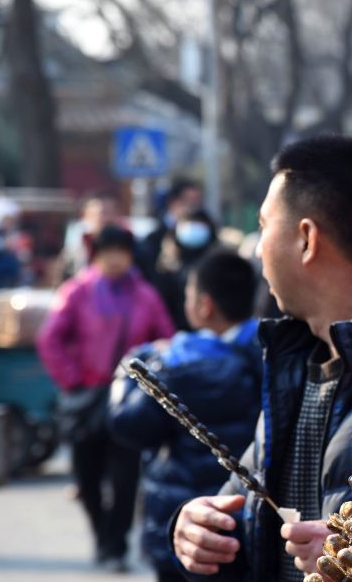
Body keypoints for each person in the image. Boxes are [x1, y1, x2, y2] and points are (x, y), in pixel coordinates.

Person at [170, 135, 352, 581]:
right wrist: (195, 526)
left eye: (264, 225)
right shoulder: (294, 364)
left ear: (306, 239)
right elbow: (243, 506)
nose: (258, 246)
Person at [110, 250, 263, 582]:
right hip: (252, 521)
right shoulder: (273, 352)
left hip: (186, 526)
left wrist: (129, 370)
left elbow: (127, 425)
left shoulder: (176, 363)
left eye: (188, 296)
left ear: (204, 305)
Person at [37, 225, 175, 571]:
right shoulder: (76, 292)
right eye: (107, 251)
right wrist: (72, 380)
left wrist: (148, 381)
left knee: (126, 477)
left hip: (130, 401)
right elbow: (49, 339)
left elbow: (167, 341)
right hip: (87, 398)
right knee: (87, 475)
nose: (114, 258)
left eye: (121, 251)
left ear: (130, 256)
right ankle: (101, 534)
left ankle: (116, 545)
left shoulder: (145, 295)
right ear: (96, 255)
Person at [152, 208, 221, 331]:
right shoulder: (166, 267)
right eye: (188, 222)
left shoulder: (218, 265)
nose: (193, 228)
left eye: (199, 223)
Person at [58, 190, 126, 281]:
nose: (108, 218)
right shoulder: (76, 249)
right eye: (103, 213)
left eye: (112, 212)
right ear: (85, 216)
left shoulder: (131, 246)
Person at [142, 179, 204, 276]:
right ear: (173, 202)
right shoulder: (154, 239)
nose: (193, 207)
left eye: (197, 201)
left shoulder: (205, 234)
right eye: (189, 201)